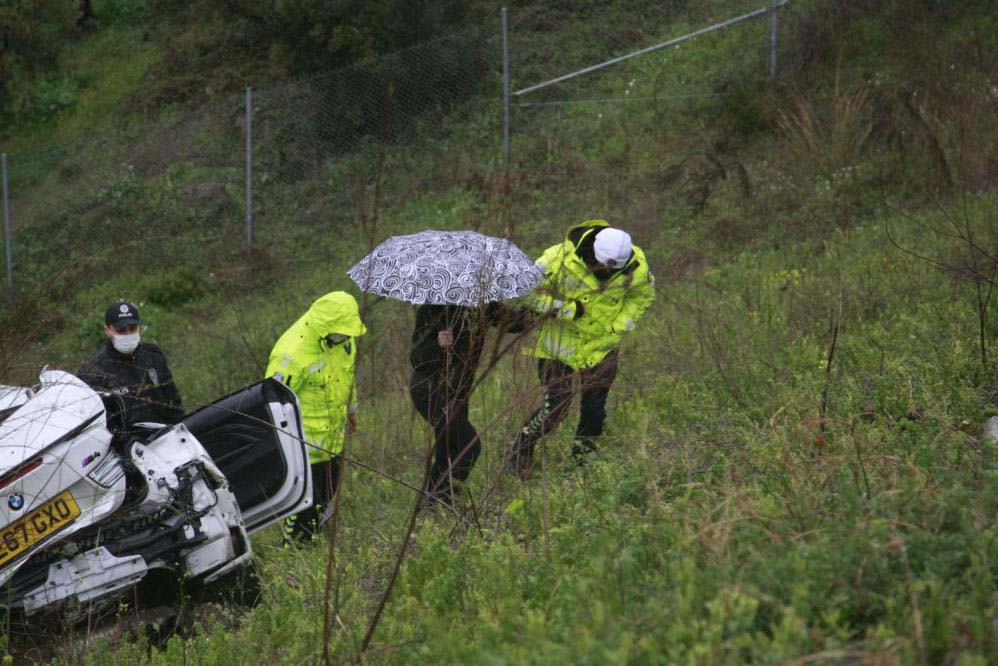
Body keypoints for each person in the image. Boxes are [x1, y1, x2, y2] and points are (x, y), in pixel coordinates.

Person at [506, 220, 655, 477]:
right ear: (594, 253)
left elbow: (642, 295)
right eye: (602, 267)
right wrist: (565, 309)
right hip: (558, 348)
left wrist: (620, 326)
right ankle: (520, 449)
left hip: (602, 347)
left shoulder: (635, 264)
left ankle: (580, 465)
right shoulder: (558, 257)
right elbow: (525, 291)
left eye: (613, 270)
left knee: (594, 411)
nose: (606, 273)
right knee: (555, 408)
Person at [266, 291, 367, 543]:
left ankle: (314, 534)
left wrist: (351, 410)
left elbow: (347, 376)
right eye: (341, 332)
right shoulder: (292, 353)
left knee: (329, 487)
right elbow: (273, 402)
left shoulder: (344, 340)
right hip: (303, 444)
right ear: (325, 327)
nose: (346, 337)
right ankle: (293, 547)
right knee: (307, 499)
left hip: (333, 433)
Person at [410, 302, 529, 507]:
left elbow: (512, 323)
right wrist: (437, 344)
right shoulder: (431, 310)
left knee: (447, 451)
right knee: (469, 446)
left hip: (459, 392)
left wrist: (537, 311)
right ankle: (444, 499)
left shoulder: (482, 305)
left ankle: (430, 505)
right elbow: (416, 358)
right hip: (430, 390)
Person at [78, 300, 184, 434]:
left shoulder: (153, 356)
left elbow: (173, 404)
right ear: (107, 330)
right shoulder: (93, 372)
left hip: (167, 436)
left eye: (132, 328)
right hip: (128, 448)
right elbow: (98, 427)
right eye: (121, 330)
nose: (128, 334)